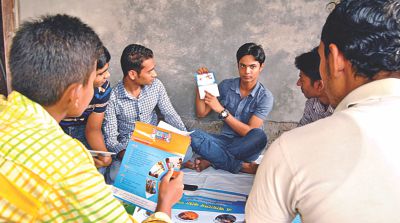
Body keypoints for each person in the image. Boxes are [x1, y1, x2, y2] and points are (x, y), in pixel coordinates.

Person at [0, 14, 183, 222]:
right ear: (75, 93)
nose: (103, 82)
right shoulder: (68, 164)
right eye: (93, 80)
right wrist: (165, 203)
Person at [246, 0, 400, 222]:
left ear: (335, 59)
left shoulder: (291, 148)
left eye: (321, 56)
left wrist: (221, 112)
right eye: (243, 65)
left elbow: (253, 131)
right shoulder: (307, 116)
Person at [103, 44, 189, 184]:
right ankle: (159, 168)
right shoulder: (113, 97)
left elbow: (170, 114)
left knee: (188, 151)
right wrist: (134, 156)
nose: (155, 74)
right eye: (150, 71)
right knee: (114, 175)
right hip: (131, 148)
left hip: (157, 142)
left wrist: (184, 136)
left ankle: (151, 169)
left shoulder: (156, 86)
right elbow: (111, 140)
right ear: (132, 74)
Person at [189, 43, 274, 174]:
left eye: (252, 67)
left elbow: (249, 132)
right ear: (238, 65)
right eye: (243, 66)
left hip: (247, 146)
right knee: (194, 135)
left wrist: (222, 111)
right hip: (224, 141)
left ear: (261, 67)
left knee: (259, 136)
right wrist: (201, 84)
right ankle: (241, 166)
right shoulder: (226, 86)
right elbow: (201, 113)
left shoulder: (265, 96)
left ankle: (212, 158)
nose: (247, 72)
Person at [60, 46, 112, 174]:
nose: (107, 75)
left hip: (83, 130)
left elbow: (93, 129)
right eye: (100, 73)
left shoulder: (102, 90)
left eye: (107, 70)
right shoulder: (59, 91)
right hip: (57, 131)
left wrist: (104, 156)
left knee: (100, 169)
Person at [295, 47, 333, 126]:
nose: (298, 83)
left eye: (302, 79)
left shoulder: (345, 110)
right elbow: (301, 132)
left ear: (319, 85)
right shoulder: (311, 105)